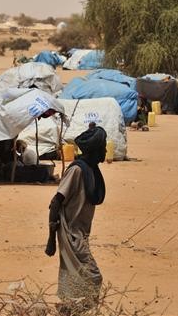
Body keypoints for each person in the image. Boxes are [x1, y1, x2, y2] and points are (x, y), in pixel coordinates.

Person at [45, 124, 107, 313]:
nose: (105, 151)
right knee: (93, 276)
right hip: (71, 232)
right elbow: (56, 202)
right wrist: (50, 239)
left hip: (79, 232)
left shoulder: (91, 170)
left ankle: (68, 310)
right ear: (94, 150)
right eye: (103, 147)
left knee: (74, 275)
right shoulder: (77, 171)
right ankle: (79, 310)